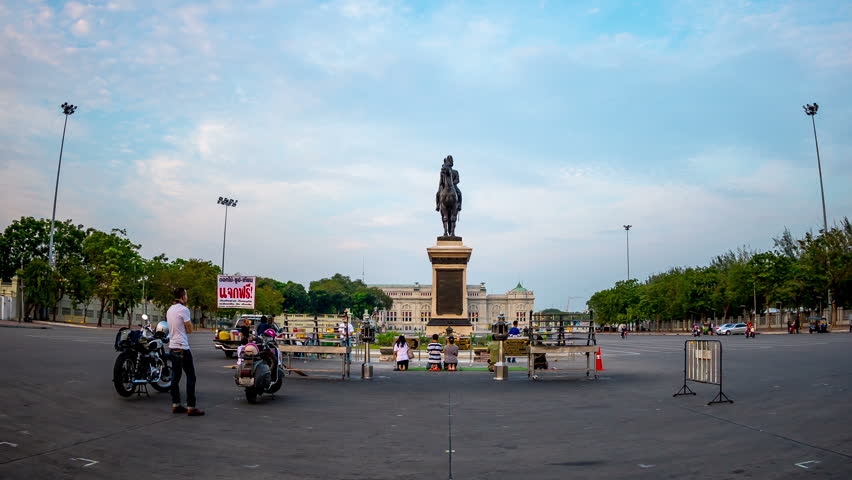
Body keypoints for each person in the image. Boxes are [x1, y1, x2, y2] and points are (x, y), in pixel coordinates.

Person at [167, 287, 204, 416]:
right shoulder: (184, 309)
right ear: (183, 296)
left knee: (175, 378)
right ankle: (191, 407)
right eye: (186, 295)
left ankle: (176, 404)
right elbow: (189, 329)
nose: (187, 297)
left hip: (172, 347)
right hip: (182, 347)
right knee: (191, 377)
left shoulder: (170, 309)